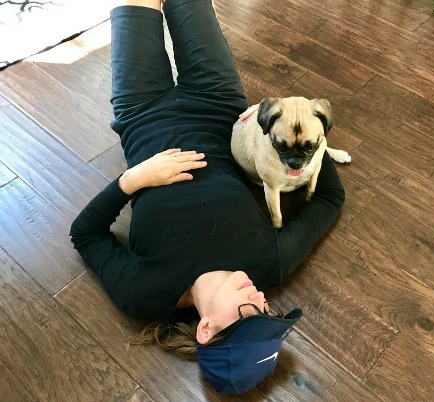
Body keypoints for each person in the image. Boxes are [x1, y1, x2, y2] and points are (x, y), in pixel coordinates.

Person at [69, 0, 345, 394]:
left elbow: (85, 235)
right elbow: (330, 198)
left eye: (249, 315)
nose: (259, 298)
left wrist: (132, 180)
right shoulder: (270, 263)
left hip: (140, 114)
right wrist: (301, 135)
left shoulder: (144, 293)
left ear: (206, 329)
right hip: (217, 102)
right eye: (269, 310)